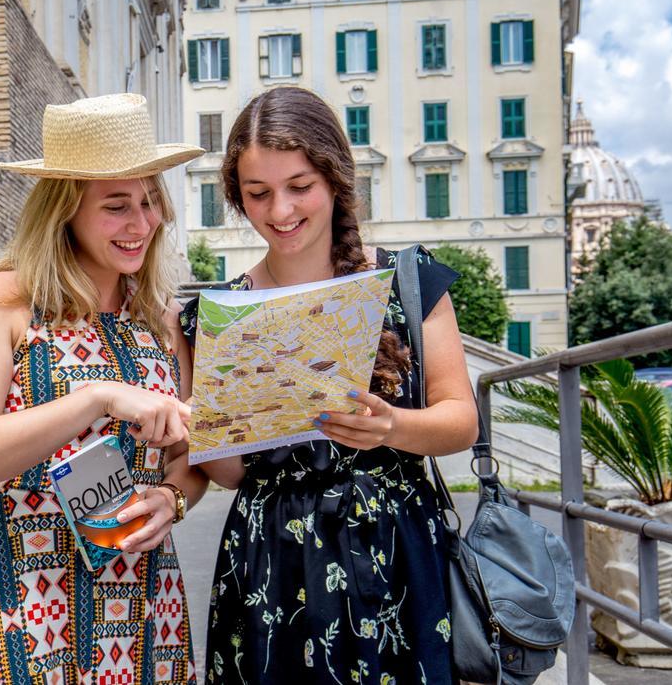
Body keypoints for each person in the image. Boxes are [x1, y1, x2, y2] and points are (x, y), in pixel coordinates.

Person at [181, 87, 478, 685]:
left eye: (299, 186)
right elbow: (233, 474)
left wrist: (390, 426)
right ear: (237, 197)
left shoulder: (408, 280)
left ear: (335, 180)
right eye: (258, 193)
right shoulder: (217, 314)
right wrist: (210, 431)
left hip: (392, 549)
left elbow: (461, 421)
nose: (280, 211)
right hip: (269, 557)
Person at [0, 93, 207, 685]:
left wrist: (170, 499)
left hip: (141, 596)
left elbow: (191, 454)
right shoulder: (3, 302)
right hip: (26, 598)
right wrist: (96, 397)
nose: (141, 224)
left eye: (149, 201)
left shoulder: (161, 317)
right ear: (65, 211)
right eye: (117, 207)